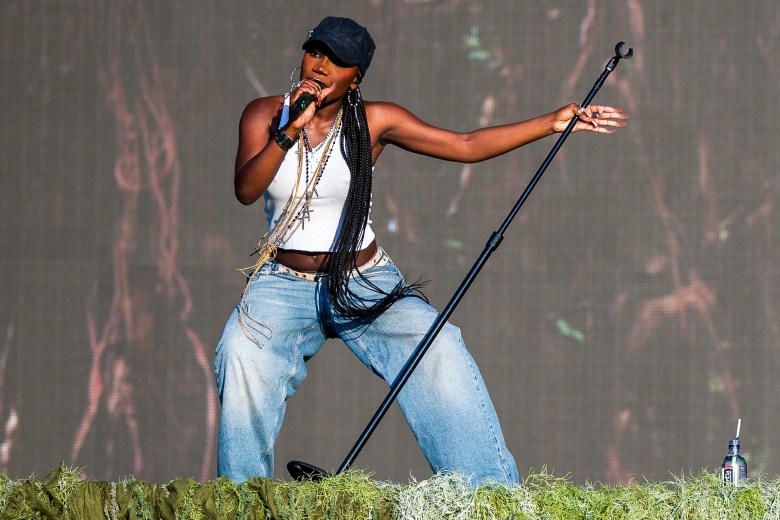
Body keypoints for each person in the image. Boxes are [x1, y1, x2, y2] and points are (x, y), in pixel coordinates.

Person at [214, 16, 627, 486]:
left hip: (361, 279)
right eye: (316, 52)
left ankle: (489, 495)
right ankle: (242, 502)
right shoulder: (265, 114)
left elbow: (465, 145)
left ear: (356, 77)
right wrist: (289, 129)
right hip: (283, 283)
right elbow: (246, 189)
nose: (322, 66)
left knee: (439, 347)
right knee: (240, 354)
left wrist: (551, 123)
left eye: (338, 60)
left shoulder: (375, 121)